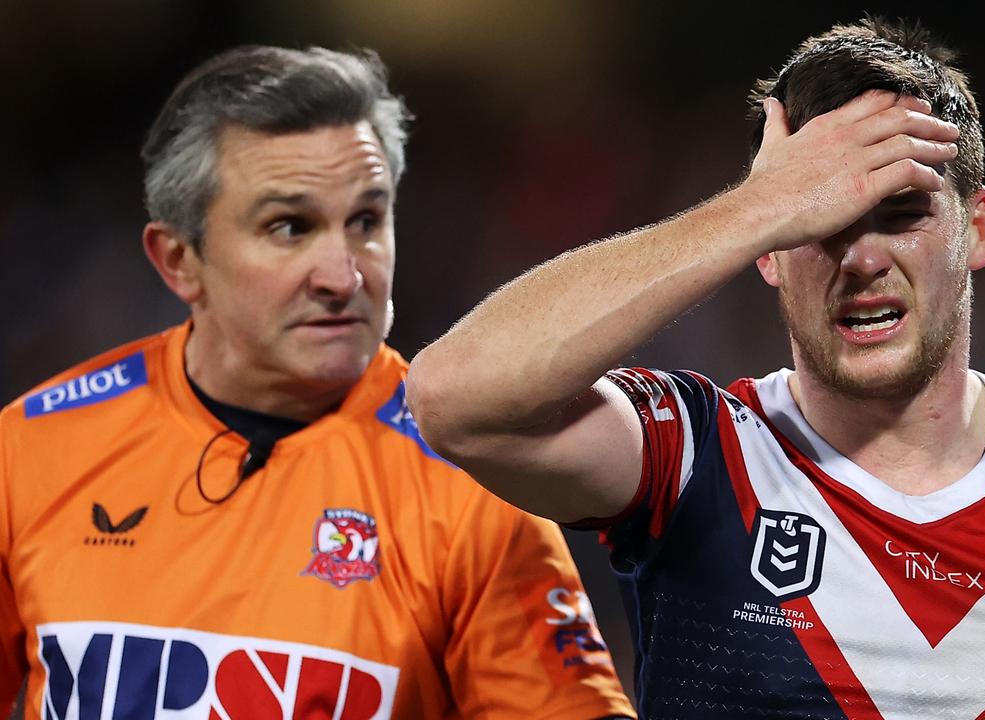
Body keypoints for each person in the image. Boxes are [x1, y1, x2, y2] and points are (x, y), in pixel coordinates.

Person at [405, 18, 985, 719]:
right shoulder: (697, 457)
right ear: (770, 253)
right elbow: (452, 396)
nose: (861, 258)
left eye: (900, 211)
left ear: (980, 228)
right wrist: (759, 205)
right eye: (822, 220)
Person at [0, 46, 635, 719]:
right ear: (180, 260)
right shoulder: (31, 450)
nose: (344, 275)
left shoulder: (474, 484)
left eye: (366, 221)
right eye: (289, 226)